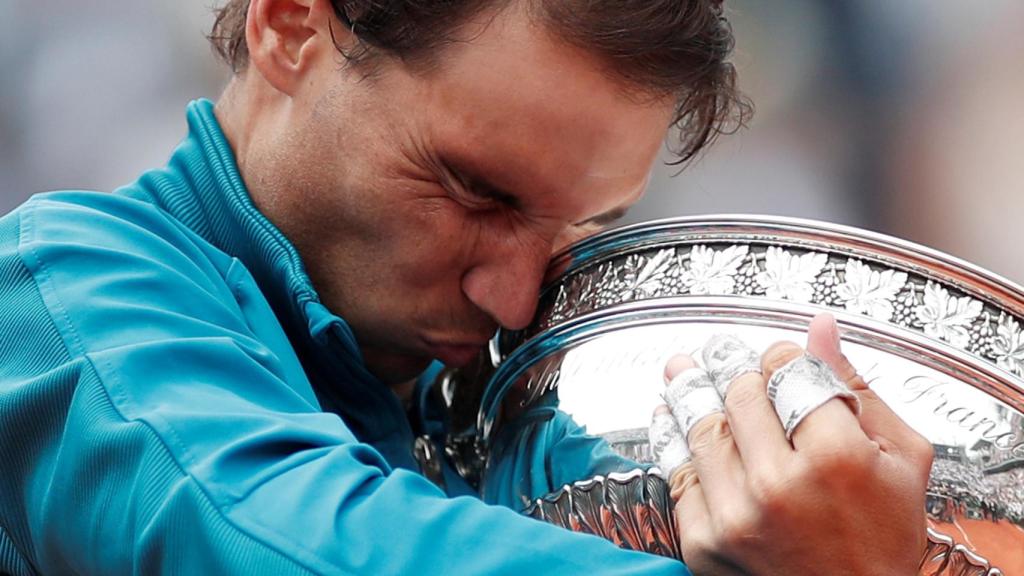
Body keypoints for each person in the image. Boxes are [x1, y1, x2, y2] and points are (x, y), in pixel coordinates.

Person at [0, 1, 931, 574]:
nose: (516, 299)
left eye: (580, 228)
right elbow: (282, 550)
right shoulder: (58, 290)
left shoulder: (514, 406)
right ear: (290, 26)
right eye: (476, 192)